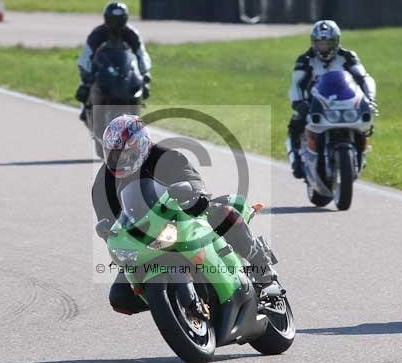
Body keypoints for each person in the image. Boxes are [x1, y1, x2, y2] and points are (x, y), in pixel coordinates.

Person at [92, 114, 277, 315]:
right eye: (114, 155)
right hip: (143, 239)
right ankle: (168, 299)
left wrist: (195, 194)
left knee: (225, 213)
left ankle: (260, 263)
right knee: (120, 298)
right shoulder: (102, 183)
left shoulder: (166, 156)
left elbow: (191, 178)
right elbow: (108, 223)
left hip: (181, 216)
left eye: (127, 154)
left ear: (142, 144)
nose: (121, 161)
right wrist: (109, 234)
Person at [286, 20, 377, 178]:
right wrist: (299, 103)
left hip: (345, 102)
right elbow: (297, 83)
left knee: (365, 123)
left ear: (336, 42)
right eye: (320, 43)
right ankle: (296, 158)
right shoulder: (305, 59)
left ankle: (360, 152)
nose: (324, 47)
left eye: (328, 42)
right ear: (314, 42)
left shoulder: (348, 56)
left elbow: (363, 78)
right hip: (314, 103)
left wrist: (369, 98)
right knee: (295, 124)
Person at [76, 2, 152, 122]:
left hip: (124, 71)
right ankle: (85, 109)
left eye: (119, 20)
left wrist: (145, 74)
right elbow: (86, 55)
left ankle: (135, 119)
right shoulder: (98, 33)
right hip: (101, 68)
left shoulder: (131, 34)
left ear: (125, 19)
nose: (115, 24)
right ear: (106, 19)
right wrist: (86, 75)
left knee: (142, 87)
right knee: (83, 87)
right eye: (112, 20)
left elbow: (141, 54)